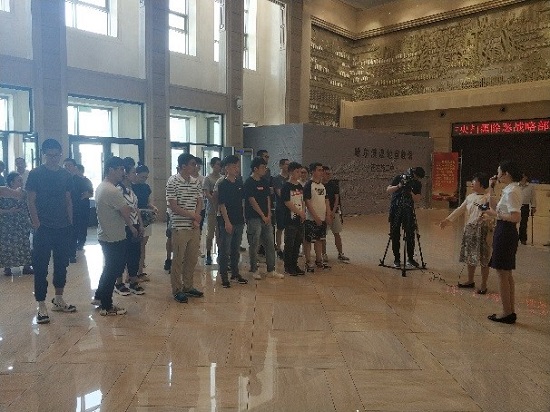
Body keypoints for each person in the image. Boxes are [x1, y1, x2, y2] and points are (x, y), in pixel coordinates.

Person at [26, 139, 76, 324]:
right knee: (41, 267)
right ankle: (41, 305)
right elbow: (30, 200)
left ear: (61, 155)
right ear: (44, 155)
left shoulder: (66, 175)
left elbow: (68, 200)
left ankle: (58, 298)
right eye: (50, 155)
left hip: (63, 227)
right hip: (43, 227)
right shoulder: (35, 174)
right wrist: (36, 223)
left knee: (62, 265)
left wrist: (70, 222)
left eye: (57, 155)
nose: (54, 158)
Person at [93, 156, 137, 316]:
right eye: (120, 169)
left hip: (105, 234)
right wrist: (132, 227)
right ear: (111, 169)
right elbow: (125, 211)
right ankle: (107, 305)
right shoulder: (112, 190)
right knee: (113, 270)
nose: (123, 173)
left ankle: (99, 297)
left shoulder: (102, 186)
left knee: (109, 268)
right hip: (114, 236)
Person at [483, 160, 522, 324]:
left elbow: (515, 217)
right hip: (504, 231)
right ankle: (509, 311)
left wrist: (496, 215)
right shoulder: (509, 189)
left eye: (499, 171)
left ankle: (506, 312)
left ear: (506, 173)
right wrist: (491, 188)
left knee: (502, 274)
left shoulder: (512, 191)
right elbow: (495, 207)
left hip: (506, 232)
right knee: (506, 274)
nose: (497, 174)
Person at [439, 173, 492, 294]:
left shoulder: (488, 197)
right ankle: (470, 280)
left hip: (482, 230)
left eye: (475, 181)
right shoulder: (470, 197)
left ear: (482, 184)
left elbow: (493, 212)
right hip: (470, 229)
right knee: (470, 255)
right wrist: (447, 220)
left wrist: (488, 219)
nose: (472, 183)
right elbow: (460, 209)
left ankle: (483, 284)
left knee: (484, 257)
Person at [166, 153, 204, 303]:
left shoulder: (196, 181)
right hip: (179, 226)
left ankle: (188, 286)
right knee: (178, 259)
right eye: (192, 164)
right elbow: (173, 206)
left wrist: (196, 217)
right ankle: (177, 289)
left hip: (194, 226)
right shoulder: (172, 181)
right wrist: (192, 215)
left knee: (191, 258)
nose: (195, 167)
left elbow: (199, 201)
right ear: (183, 166)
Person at [244, 156, 284, 280]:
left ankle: (271, 269)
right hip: (254, 217)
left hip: (266, 217)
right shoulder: (249, 182)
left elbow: (267, 198)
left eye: (265, 167)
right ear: (255, 169)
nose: (265, 169)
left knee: (270, 243)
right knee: (254, 243)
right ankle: (254, 269)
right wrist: (262, 214)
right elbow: (252, 200)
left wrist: (268, 214)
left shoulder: (264, 181)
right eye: (262, 167)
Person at [113, 159, 145, 296]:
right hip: (124, 226)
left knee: (134, 254)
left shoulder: (131, 190)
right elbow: (121, 211)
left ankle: (133, 281)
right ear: (126, 174)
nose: (135, 175)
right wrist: (131, 226)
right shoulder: (118, 190)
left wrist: (140, 224)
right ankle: (119, 283)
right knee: (122, 255)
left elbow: (136, 209)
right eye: (133, 173)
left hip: (135, 224)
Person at [217, 155, 248, 287]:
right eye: (234, 166)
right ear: (227, 168)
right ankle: (224, 276)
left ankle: (235, 273)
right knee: (225, 250)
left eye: (237, 166)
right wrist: (227, 222)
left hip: (239, 220)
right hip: (227, 221)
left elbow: (242, 202)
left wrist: (243, 217)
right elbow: (222, 205)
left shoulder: (239, 183)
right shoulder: (222, 184)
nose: (236, 169)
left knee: (236, 249)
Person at [386, 166, 425, 268]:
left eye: (418, 178)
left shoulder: (417, 184)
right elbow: (388, 190)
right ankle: (397, 259)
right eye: (416, 176)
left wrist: (410, 192)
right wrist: (399, 186)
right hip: (395, 209)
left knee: (410, 234)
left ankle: (410, 259)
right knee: (395, 234)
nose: (416, 178)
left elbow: (417, 199)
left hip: (408, 210)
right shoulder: (399, 178)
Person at [1, 172, 33, 276]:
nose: (21, 182)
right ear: (11, 182)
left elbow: (29, 206)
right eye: (19, 180)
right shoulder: (3, 192)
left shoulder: (24, 193)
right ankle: (7, 267)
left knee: (24, 244)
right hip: (7, 224)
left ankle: (26, 267)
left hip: (21, 223)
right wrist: (9, 211)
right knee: (7, 245)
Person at [303, 162, 332, 272]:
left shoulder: (322, 186)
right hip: (311, 219)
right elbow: (307, 202)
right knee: (308, 241)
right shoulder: (308, 185)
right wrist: (315, 217)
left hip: (322, 219)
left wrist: (328, 215)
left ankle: (319, 261)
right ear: (313, 172)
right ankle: (308, 262)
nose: (322, 172)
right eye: (319, 170)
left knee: (319, 240)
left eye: (322, 170)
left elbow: (326, 201)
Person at [133, 164, 157, 281]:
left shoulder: (146, 187)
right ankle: (133, 272)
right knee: (135, 246)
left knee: (143, 245)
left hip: (146, 217)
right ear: (136, 174)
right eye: (142, 177)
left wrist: (153, 207)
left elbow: (148, 202)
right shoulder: (131, 187)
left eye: (146, 177)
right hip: (135, 217)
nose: (144, 179)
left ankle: (140, 271)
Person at [281, 162, 306, 276]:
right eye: (297, 171)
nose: (299, 174)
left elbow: (302, 200)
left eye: (300, 171)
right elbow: (287, 202)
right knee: (289, 244)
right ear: (291, 172)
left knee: (297, 243)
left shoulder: (300, 186)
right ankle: (288, 266)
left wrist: (303, 212)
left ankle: (294, 264)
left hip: (300, 218)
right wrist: (299, 212)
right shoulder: (286, 186)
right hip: (290, 219)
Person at [322, 165, 349, 262]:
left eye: (330, 174)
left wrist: (333, 212)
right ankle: (324, 254)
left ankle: (340, 254)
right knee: (323, 236)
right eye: (327, 174)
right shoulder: (319, 186)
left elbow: (337, 199)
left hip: (334, 213)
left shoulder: (334, 185)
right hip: (323, 214)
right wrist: (326, 213)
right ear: (322, 173)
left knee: (337, 233)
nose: (329, 176)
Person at [63, 158, 87, 263]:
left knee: (73, 232)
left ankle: (72, 254)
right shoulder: (60, 179)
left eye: (69, 165)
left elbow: (86, 193)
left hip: (76, 210)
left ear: (74, 167)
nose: (67, 167)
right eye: (65, 165)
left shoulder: (79, 180)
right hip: (62, 210)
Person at [203, 157, 222, 265]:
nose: (219, 166)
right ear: (212, 165)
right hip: (211, 210)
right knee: (210, 233)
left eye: (220, 164)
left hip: (220, 210)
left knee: (219, 233)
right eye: (217, 164)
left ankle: (220, 253)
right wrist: (215, 202)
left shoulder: (222, 178)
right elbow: (207, 194)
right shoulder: (208, 178)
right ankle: (208, 254)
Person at [272, 158, 289, 260]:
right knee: (280, 228)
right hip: (281, 208)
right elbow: (280, 194)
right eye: (286, 164)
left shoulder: (290, 178)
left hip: (291, 208)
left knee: (289, 229)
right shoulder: (277, 179)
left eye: (289, 164)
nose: (288, 166)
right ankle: (279, 248)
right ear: (281, 166)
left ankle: (288, 248)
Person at [75, 164, 93, 250]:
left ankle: (81, 243)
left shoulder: (87, 181)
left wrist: (82, 197)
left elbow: (90, 193)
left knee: (83, 225)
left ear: (80, 171)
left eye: (76, 169)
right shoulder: (73, 180)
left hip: (84, 206)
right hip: (75, 207)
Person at [518, 173, 537, 245]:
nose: (522, 178)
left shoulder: (530, 186)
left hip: (525, 207)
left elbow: (533, 197)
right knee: (513, 223)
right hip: (516, 206)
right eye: (521, 177)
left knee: (523, 224)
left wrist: (533, 207)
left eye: (523, 177)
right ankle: (514, 238)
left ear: (526, 177)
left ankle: (523, 239)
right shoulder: (516, 185)